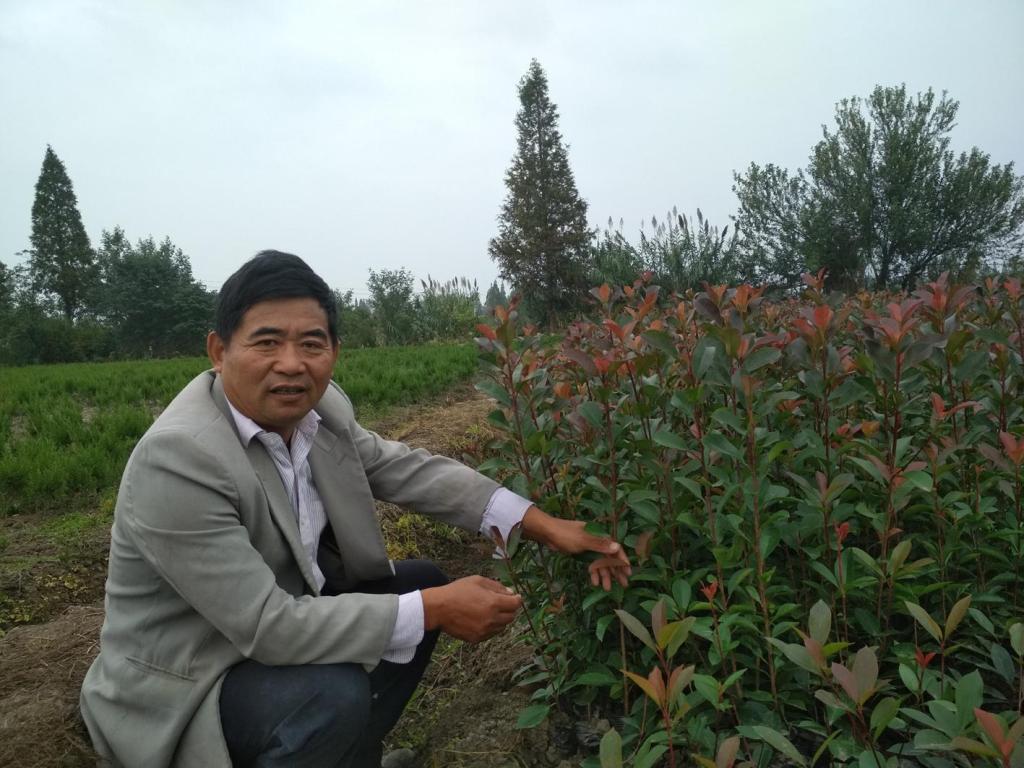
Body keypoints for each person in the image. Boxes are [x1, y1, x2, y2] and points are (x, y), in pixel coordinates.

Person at [80, 251, 630, 768]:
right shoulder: (181, 457)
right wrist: (434, 609)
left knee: (418, 584)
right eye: (267, 342)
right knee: (337, 690)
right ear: (219, 351)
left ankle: (352, 755)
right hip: (194, 677)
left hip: (279, 628)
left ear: (334, 351)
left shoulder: (320, 412)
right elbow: (269, 626)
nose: (291, 364)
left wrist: (538, 523)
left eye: (311, 343)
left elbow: (405, 470)